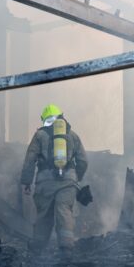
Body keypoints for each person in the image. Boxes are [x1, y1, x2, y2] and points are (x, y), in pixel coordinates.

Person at [20, 104, 88, 252]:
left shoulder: (39, 135)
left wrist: (26, 181)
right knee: (64, 211)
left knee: (44, 215)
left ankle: (37, 250)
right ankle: (66, 248)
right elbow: (83, 161)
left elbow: (30, 159)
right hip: (68, 182)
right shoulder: (73, 135)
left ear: (44, 120)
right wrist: (76, 177)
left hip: (45, 182)